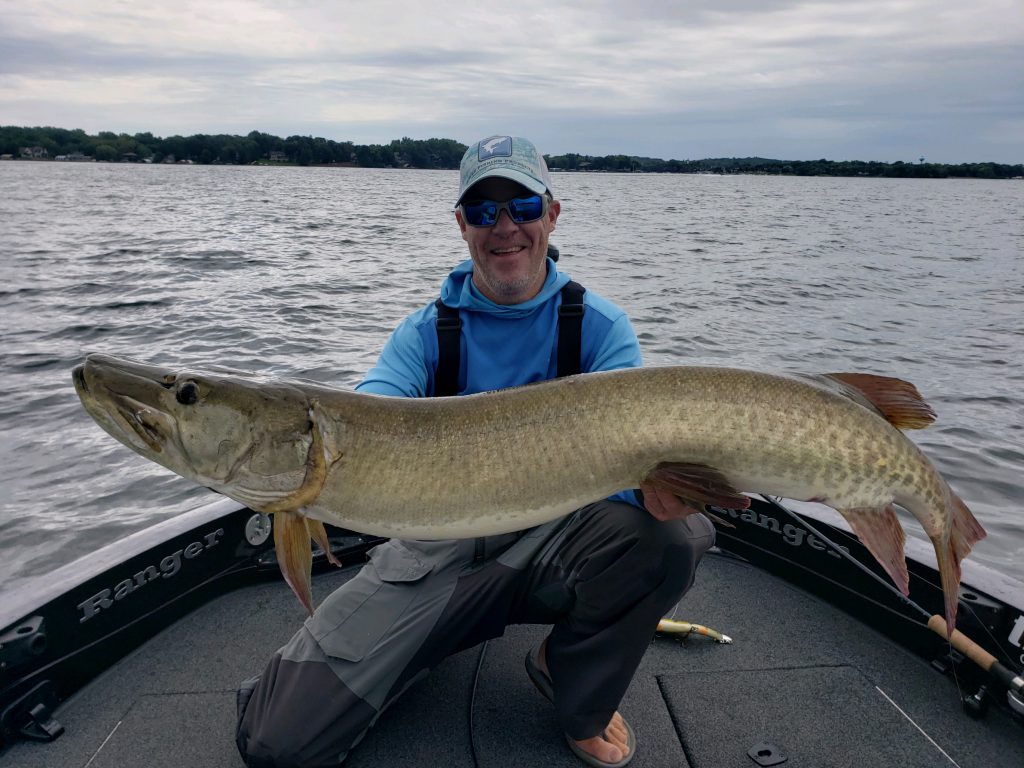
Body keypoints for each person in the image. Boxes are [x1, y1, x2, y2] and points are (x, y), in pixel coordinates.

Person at [235, 135, 715, 768]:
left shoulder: (600, 327)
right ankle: (415, 647)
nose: (505, 227)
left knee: (672, 537)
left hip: (557, 546)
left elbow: (638, 466)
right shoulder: (425, 332)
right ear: (461, 224)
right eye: (484, 211)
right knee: (276, 743)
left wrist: (666, 487)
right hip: (437, 556)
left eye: (520, 205)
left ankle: (571, 677)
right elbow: (365, 414)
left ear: (551, 213)